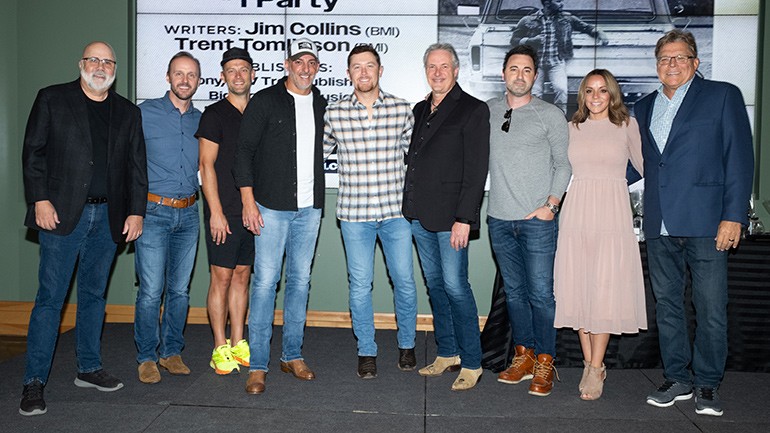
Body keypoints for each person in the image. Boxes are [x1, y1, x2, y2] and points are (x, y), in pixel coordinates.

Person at [20, 41, 148, 416]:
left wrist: (136, 212)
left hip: (108, 218)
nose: (100, 66)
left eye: (107, 61)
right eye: (94, 59)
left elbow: (137, 167)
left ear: (115, 69)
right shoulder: (52, 99)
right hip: (60, 217)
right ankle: (33, 382)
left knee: (94, 296)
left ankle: (88, 368)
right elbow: (33, 154)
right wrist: (39, 199)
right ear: (81, 64)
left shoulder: (127, 112)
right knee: (50, 301)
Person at [635, 29, 754, 416]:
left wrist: (733, 216)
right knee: (667, 306)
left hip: (707, 223)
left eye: (680, 57)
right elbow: (636, 165)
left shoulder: (723, 96)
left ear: (695, 62)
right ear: (656, 65)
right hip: (660, 223)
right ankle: (678, 379)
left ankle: (707, 384)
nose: (672, 64)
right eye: (665, 58)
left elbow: (739, 158)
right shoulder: (643, 106)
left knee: (710, 308)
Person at [234, 38, 327, 394]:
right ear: (287, 65)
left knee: (300, 283)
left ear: (317, 68)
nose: (305, 68)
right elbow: (242, 152)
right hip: (270, 208)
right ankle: (258, 365)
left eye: (312, 62)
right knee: (264, 284)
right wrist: (247, 201)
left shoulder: (321, 103)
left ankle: (292, 355)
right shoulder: (265, 101)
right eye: (299, 61)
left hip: (310, 209)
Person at [323, 45, 417, 379]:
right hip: (354, 215)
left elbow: (418, 158)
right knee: (360, 285)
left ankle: (407, 345)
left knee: (404, 281)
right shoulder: (333, 113)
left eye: (370, 66)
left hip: (396, 214)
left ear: (380, 70)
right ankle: (367, 350)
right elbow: (314, 153)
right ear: (348, 73)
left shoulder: (402, 110)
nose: (364, 72)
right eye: (357, 67)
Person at [552, 69, 646, 400]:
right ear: (582, 95)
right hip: (576, 215)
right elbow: (559, 171)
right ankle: (590, 363)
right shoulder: (571, 128)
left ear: (612, 95)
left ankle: (595, 366)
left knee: (604, 289)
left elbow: (648, 167)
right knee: (579, 287)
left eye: (602, 90)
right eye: (589, 90)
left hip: (612, 217)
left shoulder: (626, 126)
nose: (595, 96)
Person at [402, 43, 489, 391]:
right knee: (436, 286)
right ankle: (448, 351)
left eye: (444, 67)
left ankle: (472, 361)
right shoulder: (420, 109)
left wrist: (464, 218)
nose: (438, 73)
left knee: (456, 287)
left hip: (453, 219)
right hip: (420, 216)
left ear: (456, 70)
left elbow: (476, 170)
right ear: (426, 71)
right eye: (431, 67)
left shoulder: (472, 109)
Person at [486, 44, 570, 397]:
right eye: (513, 69)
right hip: (498, 220)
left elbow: (564, 164)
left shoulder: (550, 114)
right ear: (503, 74)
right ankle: (523, 356)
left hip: (537, 221)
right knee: (516, 295)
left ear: (535, 76)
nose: (519, 75)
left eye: (526, 70)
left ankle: (545, 363)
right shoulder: (486, 112)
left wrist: (551, 205)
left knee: (541, 295)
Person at [134, 51, 202, 384]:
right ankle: (146, 356)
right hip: (153, 212)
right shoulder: (143, 113)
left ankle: (171, 352)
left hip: (190, 215)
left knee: (180, 291)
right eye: (179, 73)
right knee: (150, 291)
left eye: (191, 75)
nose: (185, 80)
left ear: (198, 81)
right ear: (167, 77)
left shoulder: (202, 120)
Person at [196, 48, 255, 375]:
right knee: (221, 277)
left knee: (243, 276)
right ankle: (219, 346)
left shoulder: (259, 111)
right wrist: (215, 212)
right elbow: (206, 165)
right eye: (231, 70)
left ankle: (237, 342)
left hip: (253, 212)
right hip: (224, 211)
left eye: (243, 69)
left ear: (252, 73)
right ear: (223, 76)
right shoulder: (214, 114)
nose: (237, 75)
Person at [510, 0, 608, 112]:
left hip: (556, 63)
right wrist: (530, 40)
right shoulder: (527, 20)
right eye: (558, 1)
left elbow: (586, 27)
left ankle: (560, 118)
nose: (561, 4)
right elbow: (514, 40)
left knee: (561, 90)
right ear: (547, 2)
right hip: (535, 64)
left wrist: (600, 33)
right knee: (535, 93)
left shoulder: (567, 19)